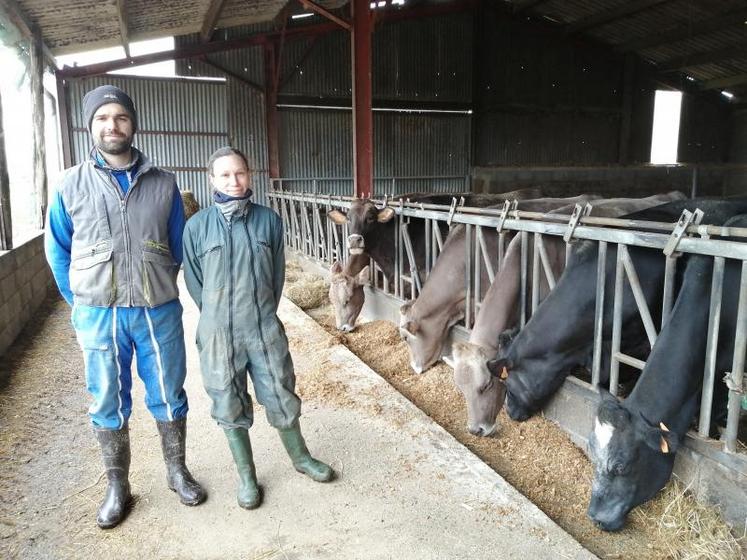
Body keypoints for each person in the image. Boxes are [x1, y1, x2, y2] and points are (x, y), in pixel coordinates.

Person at [45, 85, 206, 529]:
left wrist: (172, 289)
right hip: (98, 313)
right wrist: (78, 304)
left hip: (157, 309)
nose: (111, 125)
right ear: (90, 125)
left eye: (120, 117)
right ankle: (118, 486)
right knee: (106, 399)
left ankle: (177, 471)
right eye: (102, 118)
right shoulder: (70, 184)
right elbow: (58, 249)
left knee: (169, 390)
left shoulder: (164, 183)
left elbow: (179, 246)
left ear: (133, 123)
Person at [182, 147, 334, 510]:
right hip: (218, 331)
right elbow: (193, 280)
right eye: (224, 175)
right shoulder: (197, 226)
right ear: (211, 179)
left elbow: (276, 276)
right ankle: (247, 476)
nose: (234, 182)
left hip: (263, 326)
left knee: (281, 391)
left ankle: (301, 458)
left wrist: (261, 311)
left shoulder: (269, 220)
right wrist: (218, 315)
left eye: (240, 173)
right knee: (226, 399)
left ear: (249, 176)